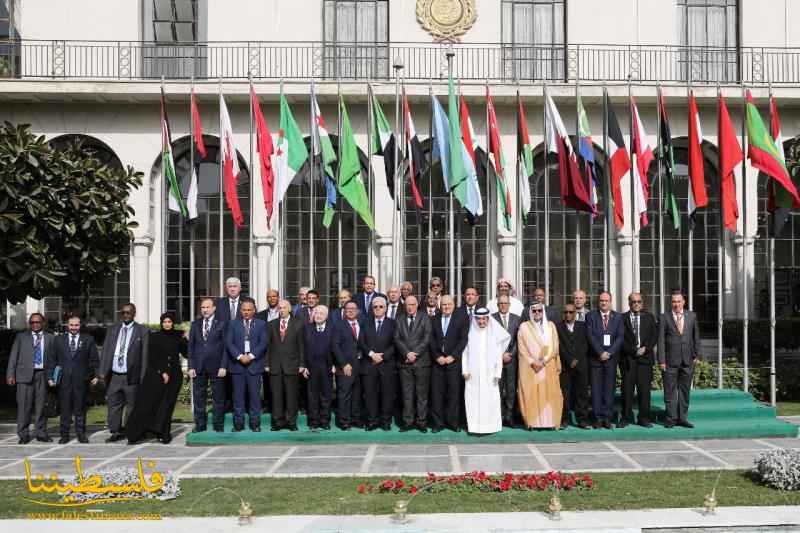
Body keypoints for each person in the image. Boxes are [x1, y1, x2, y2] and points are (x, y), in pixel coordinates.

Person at [126, 312, 186, 444]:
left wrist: (186, 339)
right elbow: (152, 357)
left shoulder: (178, 336)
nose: (167, 324)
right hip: (156, 375)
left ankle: (164, 433)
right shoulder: (154, 336)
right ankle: (135, 433)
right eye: (165, 322)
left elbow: (186, 353)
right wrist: (162, 372)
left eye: (169, 322)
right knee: (148, 404)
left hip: (175, 376)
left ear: (173, 323)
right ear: (161, 323)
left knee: (167, 406)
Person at [99, 303, 150, 443]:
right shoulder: (113, 329)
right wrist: (102, 372)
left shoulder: (142, 331)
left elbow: (145, 356)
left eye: (129, 312)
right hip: (115, 375)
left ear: (134, 313)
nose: (126, 315)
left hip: (131, 375)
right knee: (113, 405)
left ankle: (131, 432)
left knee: (131, 406)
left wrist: (143, 377)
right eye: (123, 313)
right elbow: (105, 351)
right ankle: (115, 431)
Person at [6, 313, 56, 444]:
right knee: (24, 406)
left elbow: (55, 359)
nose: (35, 324)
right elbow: (13, 357)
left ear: (43, 323)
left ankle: (41, 433)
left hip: (43, 375)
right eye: (32, 322)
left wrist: (55, 376)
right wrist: (10, 374)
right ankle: (23, 434)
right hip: (24, 376)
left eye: (38, 322)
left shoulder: (50, 338)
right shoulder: (21, 337)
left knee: (41, 406)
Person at [51, 315, 99, 444]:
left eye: (76, 325)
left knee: (80, 409)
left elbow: (94, 360)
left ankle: (81, 434)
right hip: (64, 381)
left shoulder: (88, 340)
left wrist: (96, 375)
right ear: (67, 325)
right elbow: (52, 360)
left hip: (81, 380)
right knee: (65, 410)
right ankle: (65, 435)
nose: (74, 328)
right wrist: (50, 377)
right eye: (71, 325)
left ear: (80, 325)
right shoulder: (58, 340)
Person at [462, 308, 509, 435]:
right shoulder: (470, 334)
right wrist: (465, 370)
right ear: (475, 319)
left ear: (488, 319)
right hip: (473, 375)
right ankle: (474, 427)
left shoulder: (494, 334)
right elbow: (465, 354)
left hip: (490, 375)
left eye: (484, 319)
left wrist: (497, 373)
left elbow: (499, 356)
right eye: (479, 319)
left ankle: (491, 426)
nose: (481, 321)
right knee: (473, 401)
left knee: (491, 401)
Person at [658, 291, 701, 429]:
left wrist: (697, 355)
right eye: (673, 301)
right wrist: (661, 360)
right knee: (670, 392)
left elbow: (696, 337)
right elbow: (661, 341)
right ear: (671, 303)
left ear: (684, 302)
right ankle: (671, 418)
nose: (676, 304)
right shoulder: (664, 317)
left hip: (688, 361)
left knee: (684, 391)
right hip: (670, 361)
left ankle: (683, 418)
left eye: (678, 301)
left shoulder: (692, 316)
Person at [517, 303, 563, 430]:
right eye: (535, 311)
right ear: (531, 312)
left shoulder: (551, 326)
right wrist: (533, 362)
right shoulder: (524, 327)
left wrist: (544, 361)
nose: (537, 313)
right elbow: (522, 349)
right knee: (533, 394)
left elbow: (555, 345)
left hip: (548, 366)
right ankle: (533, 422)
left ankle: (550, 423)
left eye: (539, 310)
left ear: (543, 312)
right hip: (531, 368)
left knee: (550, 393)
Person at [226, 298, 269, 432]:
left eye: (249, 310)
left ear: (254, 311)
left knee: (255, 397)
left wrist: (250, 356)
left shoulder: (261, 324)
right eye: (244, 309)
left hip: (254, 366)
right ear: (240, 310)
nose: (246, 312)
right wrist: (239, 357)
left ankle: (255, 424)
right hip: (237, 366)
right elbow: (229, 343)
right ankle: (238, 424)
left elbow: (263, 343)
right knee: (238, 397)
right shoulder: (233, 324)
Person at [429, 294, 468, 432]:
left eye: (449, 304)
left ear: (453, 305)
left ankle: (453, 423)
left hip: (454, 363)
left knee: (453, 394)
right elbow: (431, 340)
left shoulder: (461, 318)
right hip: (438, 363)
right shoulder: (434, 319)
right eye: (444, 304)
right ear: (440, 305)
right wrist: (437, 356)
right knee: (437, 395)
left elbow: (463, 340)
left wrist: (453, 356)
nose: (446, 307)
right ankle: (438, 423)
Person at [187, 298, 227, 433]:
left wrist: (223, 366)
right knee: (199, 398)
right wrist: (191, 366)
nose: (205, 310)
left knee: (218, 397)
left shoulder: (221, 324)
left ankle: (218, 424)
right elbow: (191, 347)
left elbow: (226, 347)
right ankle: (200, 424)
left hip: (217, 367)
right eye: (203, 307)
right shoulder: (195, 324)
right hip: (198, 367)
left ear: (214, 308)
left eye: (208, 307)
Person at [585, 292, 624, 429]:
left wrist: (609, 352)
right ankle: (597, 418)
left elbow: (620, 337)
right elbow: (590, 336)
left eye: (606, 300)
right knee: (596, 390)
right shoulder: (590, 316)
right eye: (601, 300)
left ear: (610, 302)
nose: (603, 303)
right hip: (596, 358)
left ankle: (607, 418)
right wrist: (600, 352)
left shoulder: (618, 317)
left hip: (611, 359)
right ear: (598, 301)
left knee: (609, 389)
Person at [266, 299, 306, 431]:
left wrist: (302, 364)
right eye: (280, 308)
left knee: (291, 396)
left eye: (284, 308)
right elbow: (268, 346)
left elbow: (302, 346)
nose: (281, 310)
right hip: (275, 366)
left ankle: (291, 422)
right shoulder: (272, 324)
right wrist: (267, 363)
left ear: (290, 309)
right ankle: (277, 422)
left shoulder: (298, 324)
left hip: (292, 365)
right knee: (276, 396)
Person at [394, 295, 432, 432]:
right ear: (405, 305)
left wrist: (414, 354)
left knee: (422, 395)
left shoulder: (425, 317)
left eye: (413, 304)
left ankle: (422, 421)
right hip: (405, 364)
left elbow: (427, 338)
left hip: (421, 362)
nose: (410, 307)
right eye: (408, 305)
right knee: (407, 394)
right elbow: (397, 338)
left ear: (417, 305)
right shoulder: (399, 319)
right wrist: (407, 353)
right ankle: (408, 421)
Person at [358, 296, 397, 431]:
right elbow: (361, 342)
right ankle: (372, 421)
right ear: (372, 309)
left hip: (387, 365)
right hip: (369, 365)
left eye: (381, 306)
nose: (378, 309)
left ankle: (386, 421)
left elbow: (395, 343)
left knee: (387, 395)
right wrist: (372, 355)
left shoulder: (393, 323)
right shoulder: (365, 323)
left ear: (386, 308)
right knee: (370, 395)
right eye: (375, 307)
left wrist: (384, 356)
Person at [620, 292, 658, 428]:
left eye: (638, 302)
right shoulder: (622, 318)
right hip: (628, 360)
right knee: (627, 391)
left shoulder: (649, 317)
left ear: (642, 303)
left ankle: (644, 418)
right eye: (633, 302)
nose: (636, 304)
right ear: (629, 303)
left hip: (645, 360)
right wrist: (633, 350)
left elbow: (654, 336)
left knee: (644, 391)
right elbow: (620, 339)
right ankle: (625, 418)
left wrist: (646, 348)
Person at [556, 304, 590, 429]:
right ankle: (564, 420)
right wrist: (569, 360)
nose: (568, 314)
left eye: (571, 312)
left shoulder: (583, 326)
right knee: (564, 394)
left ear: (575, 313)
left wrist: (577, 359)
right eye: (566, 312)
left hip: (581, 365)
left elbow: (586, 344)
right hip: (565, 366)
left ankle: (582, 420)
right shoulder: (558, 327)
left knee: (582, 394)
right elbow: (558, 346)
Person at [492, 295, 521, 427]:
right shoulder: (491, 318)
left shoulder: (517, 319)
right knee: (497, 389)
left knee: (510, 389)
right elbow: (490, 339)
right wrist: (499, 355)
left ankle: (509, 417)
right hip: (496, 360)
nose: (503, 305)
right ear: (497, 305)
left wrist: (510, 353)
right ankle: (498, 416)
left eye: (505, 303)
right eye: (501, 303)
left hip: (511, 360)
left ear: (509, 304)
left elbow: (518, 340)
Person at [332, 300, 362, 430]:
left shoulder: (362, 324)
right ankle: (344, 421)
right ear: (344, 311)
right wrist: (344, 364)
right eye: (348, 309)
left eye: (353, 308)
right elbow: (335, 346)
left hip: (360, 366)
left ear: (357, 311)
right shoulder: (338, 325)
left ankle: (355, 419)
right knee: (344, 395)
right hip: (345, 367)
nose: (350, 311)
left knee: (356, 395)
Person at [304, 305, 335, 430]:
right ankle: (313, 422)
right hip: (311, 366)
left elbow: (336, 348)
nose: (318, 315)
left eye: (321, 313)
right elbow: (303, 349)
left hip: (327, 366)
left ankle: (325, 421)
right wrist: (304, 366)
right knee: (312, 396)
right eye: (316, 313)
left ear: (326, 316)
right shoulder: (307, 329)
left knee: (326, 396)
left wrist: (335, 364)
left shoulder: (332, 329)